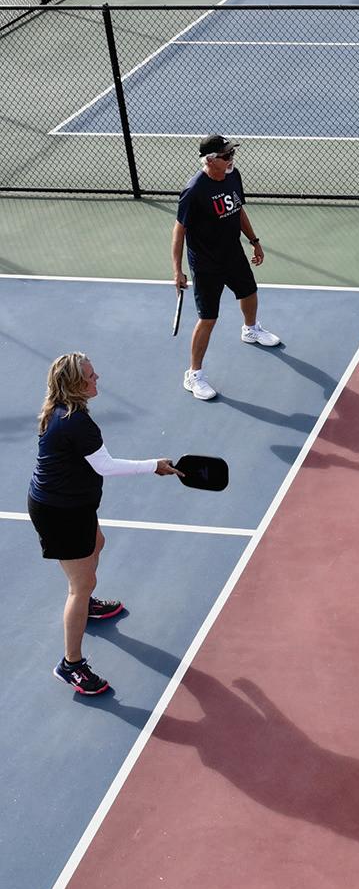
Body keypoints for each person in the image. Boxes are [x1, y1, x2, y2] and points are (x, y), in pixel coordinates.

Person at [28, 353, 180, 696]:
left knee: (98, 543)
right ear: (75, 384)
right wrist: (154, 465)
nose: (97, 378)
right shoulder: (75, 423)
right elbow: (106, 466)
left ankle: (87, 605)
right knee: (80, 586)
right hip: (59, 513)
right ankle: (71, 665)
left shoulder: (63, 411)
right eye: (91, 375)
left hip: (74, 506)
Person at [172, 136, 282, 402]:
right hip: (206, 264)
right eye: (226, 155)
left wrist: (254, 241)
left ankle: (250, 330)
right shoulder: (194, 190)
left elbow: (238, 210)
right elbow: (179, 231)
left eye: (232, 153)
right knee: (208, 318)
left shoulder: (233, 176)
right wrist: (177, 270)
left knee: (249, 292)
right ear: (210, 160)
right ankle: (193, 375)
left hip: (232, 253)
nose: (231, 158)